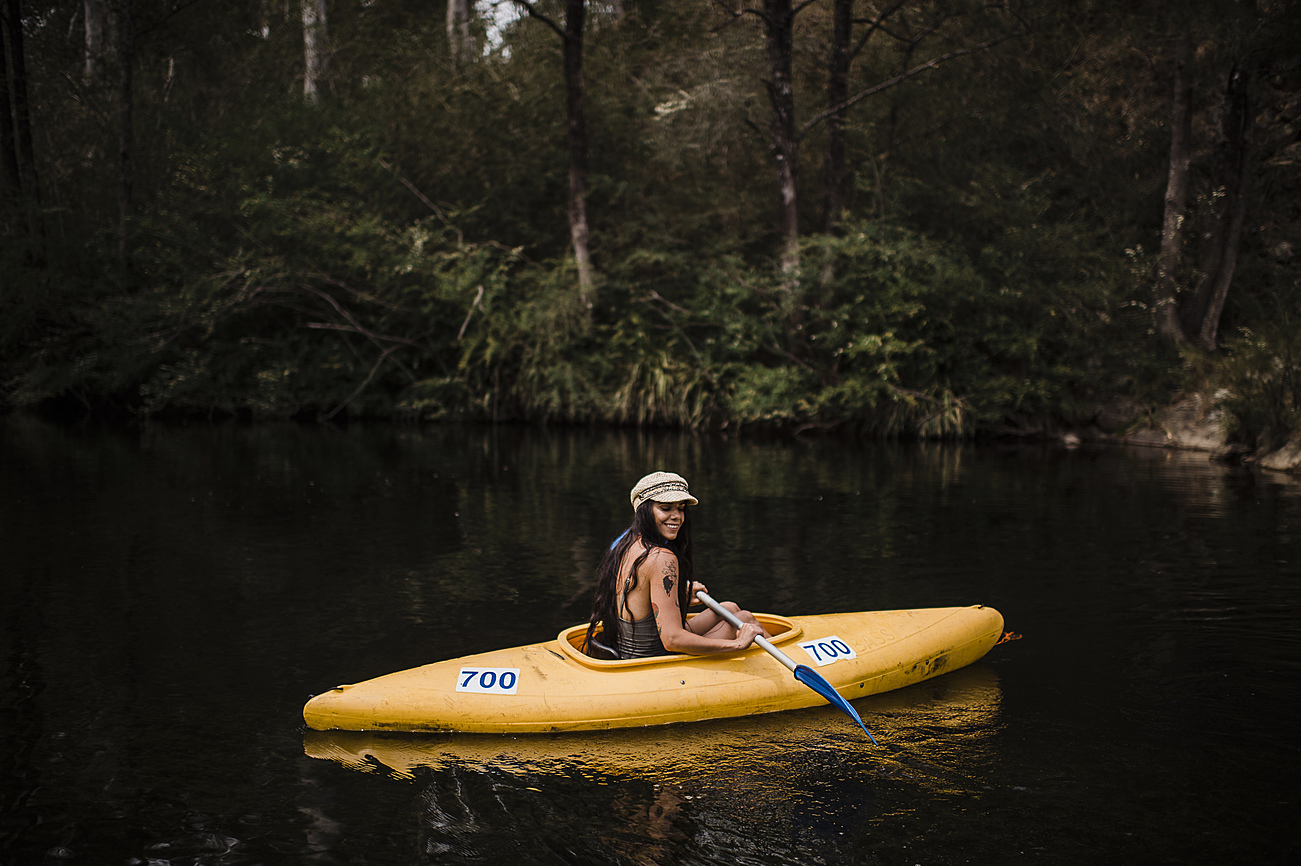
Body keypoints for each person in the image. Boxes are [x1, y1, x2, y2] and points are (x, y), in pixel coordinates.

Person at [584, 471, 770, 659]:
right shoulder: (662, 557)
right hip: (653, 658)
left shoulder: (627, 543)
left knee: (730, 608)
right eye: (665, 508)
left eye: (680, 508)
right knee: (745, 619)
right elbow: (672, 639)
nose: (677, 517)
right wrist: (737, 644)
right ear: (644, 510)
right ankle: (789, 663)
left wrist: (678, 595)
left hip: (630, 648)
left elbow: (639, 598)